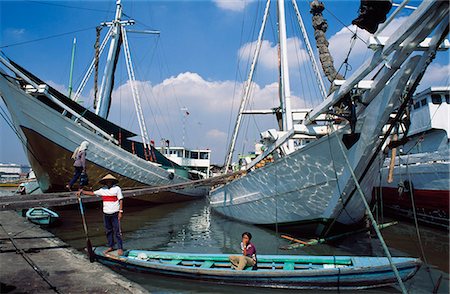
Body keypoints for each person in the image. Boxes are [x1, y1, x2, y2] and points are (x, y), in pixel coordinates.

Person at [77, 174, 124, 256]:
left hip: (115, 213)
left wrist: (120, 211)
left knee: (117, 231)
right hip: (106, 214)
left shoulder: (117, 189)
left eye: (110, 181)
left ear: (112, 182)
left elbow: (121, 200)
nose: (108, 182)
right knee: (108, 231)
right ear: (105, 182)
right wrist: (82, 192)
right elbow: (93, 193)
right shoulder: (103, 190)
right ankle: (111, 246)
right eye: (107, 181)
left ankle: (120, 248)